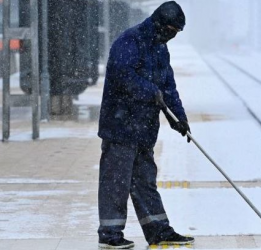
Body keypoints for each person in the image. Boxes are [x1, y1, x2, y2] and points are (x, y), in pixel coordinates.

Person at [97, 1, 193, 249]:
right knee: (116, 182)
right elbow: (123, 77)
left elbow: (168, 87)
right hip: (120, 126)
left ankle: (158, 230)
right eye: (172, 29)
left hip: (144, 128)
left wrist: (179, 118)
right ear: (161, 24)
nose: (173, 35)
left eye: (177, 32)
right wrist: (151, 91)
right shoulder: (130, 41)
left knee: (144, 182)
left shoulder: (160, 49)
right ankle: (109, 235)